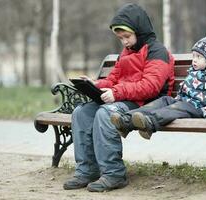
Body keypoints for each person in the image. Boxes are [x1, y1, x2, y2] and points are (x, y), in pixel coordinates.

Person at [63, 3, 175, 192]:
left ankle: (114, 173)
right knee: (81, 112)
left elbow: (151, 87)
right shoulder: (126, 53)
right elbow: (114, 78)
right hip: (125, 99)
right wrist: (94, 84)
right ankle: (87, 170)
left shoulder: (158, 51)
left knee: (105, 113)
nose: (124, 42)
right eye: (120, 38)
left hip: (147, 104)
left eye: (127, 37)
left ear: (139, 31)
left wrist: (117, 93)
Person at [112, 36, 206, 140]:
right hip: (183, 102)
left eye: (199, 57)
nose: (194, 60)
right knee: (165, 100)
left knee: (175, 108)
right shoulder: (196, 71)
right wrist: (177, 98)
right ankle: (126, 120)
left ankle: (149, 122)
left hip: (200, 108)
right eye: (193, 56)